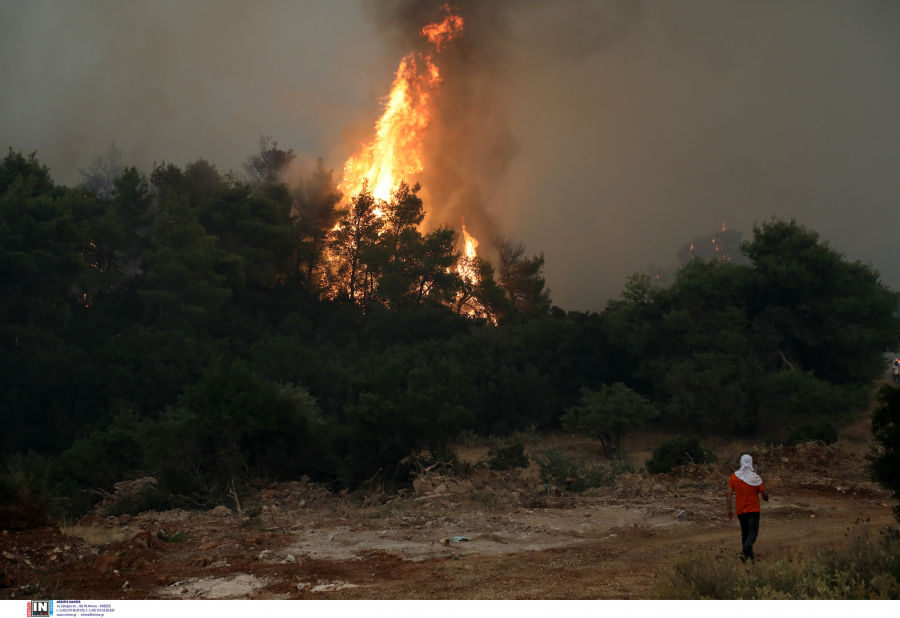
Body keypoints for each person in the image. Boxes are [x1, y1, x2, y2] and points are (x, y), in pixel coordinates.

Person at [727, 454, 769, 562]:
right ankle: (745, 550)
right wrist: (766, 498)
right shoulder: (755, 477)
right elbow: (764, 493)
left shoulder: (734, 477)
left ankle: (749, 557)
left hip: (740, 511)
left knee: (745, 533)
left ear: (741, 462)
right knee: (753, 532)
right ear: (750, 463)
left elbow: (729, 494)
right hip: (753, 510)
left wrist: (729, 509)